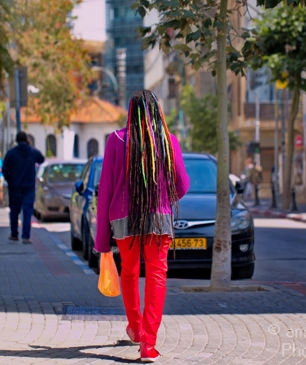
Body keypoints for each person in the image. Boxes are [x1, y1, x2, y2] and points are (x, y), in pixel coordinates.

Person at [95, 90, 189, 363]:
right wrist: (161, 197)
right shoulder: (168, 140)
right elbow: (182, 185)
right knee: (157, 275)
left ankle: (135, 328)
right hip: (158, 218)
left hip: (123, 217)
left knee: (129, 271)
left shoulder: (115, 140)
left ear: (130, 111)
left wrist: (102, 240)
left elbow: (107, 190)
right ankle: (148, 345)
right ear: (157, 110)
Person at [2, 132, 45, 243]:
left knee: (14, 211)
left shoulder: (11, 153)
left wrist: (10, 180)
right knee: (27, 211)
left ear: (16, 140)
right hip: (28, 187)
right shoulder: (32, 151)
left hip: (14, 187)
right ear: (26, 139)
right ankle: (26, 236)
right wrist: (30, 146)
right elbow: (41, 159)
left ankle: (14, 234)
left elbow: (4, 170)